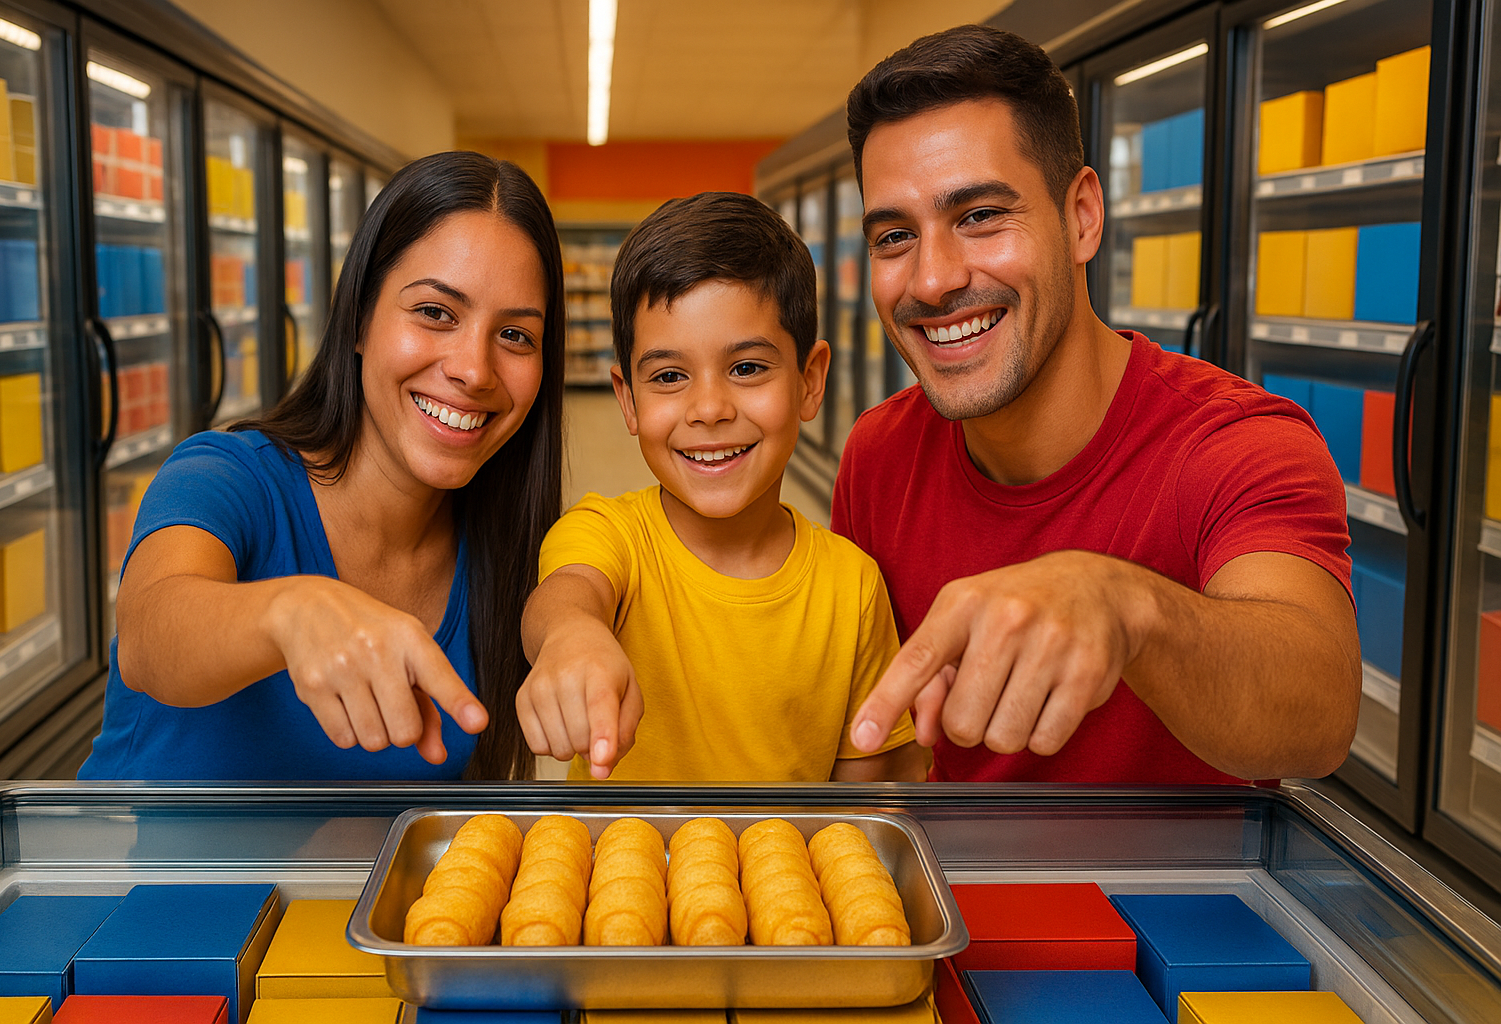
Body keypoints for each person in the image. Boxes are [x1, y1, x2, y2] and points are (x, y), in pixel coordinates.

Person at [834, 25, 1361, 784]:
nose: (931, 280)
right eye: (893, 235)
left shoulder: (1236, 444)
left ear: (1081, 216)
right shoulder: (879, 455)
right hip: (954, 886)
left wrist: (1126, 607)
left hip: (1171, 899)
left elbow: (1320, 712)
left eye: (979, 215)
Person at [78, 151, 564, 781]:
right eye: (435, 313)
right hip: (135, 878)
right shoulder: (227, 478)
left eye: (515, 335)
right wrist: (291, 612)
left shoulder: (508, 554)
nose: (474, 370)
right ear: (359, 317)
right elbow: (149, 634)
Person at [509, 192, 926, 782]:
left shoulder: (852, 587)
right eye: (670, 376)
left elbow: (870, 799)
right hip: (620, 871)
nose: (708, 409)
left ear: (810, 382)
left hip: (782, 874)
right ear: (627, 400)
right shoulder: (609, 533)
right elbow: (567, 594)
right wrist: (572, 637)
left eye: (748, 368)